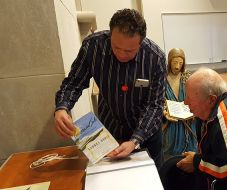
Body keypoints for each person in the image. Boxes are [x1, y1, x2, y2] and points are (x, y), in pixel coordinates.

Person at [54, 9, 166, 168]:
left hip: (146, 135)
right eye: (116, 47)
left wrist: (135, 141)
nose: (121, 54)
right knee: (110, 181)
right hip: (109, 131)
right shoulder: (93, 47)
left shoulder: (156, 58)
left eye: (129, 51)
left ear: (141, 43)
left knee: (150, 183)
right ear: (110, 35)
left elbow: (154, 105)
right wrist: (62, 107)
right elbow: (74, 82)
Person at [160, 68, 227, 190]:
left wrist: (196, 162)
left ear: (211, 99)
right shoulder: (216, 108)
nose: (185, 102)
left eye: (190, 98)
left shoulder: (225, 115)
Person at [162, 48, 197, 160]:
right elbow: (156, 100)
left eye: (180, 63)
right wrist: (163, 111)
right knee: (170, 156)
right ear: (169, 62)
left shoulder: (188, 78)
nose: (177, 66)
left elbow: (196, 96)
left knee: (190, 152)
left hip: (188, 121)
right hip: (170, 123)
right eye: (174, 62)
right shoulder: (162, 78)